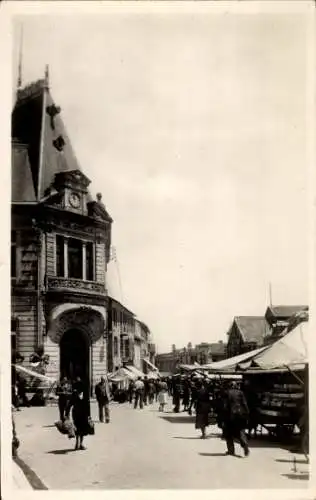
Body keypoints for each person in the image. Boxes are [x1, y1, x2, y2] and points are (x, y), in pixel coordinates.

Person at [223, 381, 250, 456]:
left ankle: (231, 450)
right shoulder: (240, 392)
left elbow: (225, 405)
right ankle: (245, 445)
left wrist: (223, 416)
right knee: (241, 431)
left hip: (230, 415)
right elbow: (244, 404)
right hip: (240, 414)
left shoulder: (226, 392)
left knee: (228, 433)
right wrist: (247, 414)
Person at [65, 386, 91, 451]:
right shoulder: (74, 395)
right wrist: (66, 414)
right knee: (77, 429)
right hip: (76, 414)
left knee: (83, 429)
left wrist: (89, 415)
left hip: (83, 414)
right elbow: (69, 405)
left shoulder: (85, 395)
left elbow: (87, 405)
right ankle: (77, 443)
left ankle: (81, 444)